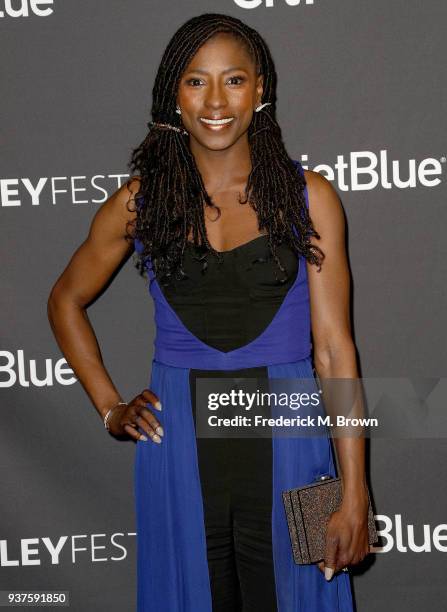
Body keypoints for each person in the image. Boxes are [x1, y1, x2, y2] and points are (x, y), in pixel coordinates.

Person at [47, 12, 371, 612]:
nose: (216, 100)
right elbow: (65, 300)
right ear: (174, 93)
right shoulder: (141, 203)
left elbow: (334, 352)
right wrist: (111, 408)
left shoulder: (312, 197)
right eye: (196, 81)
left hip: (294, 439)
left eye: (234, 80)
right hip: (176, 451)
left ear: (261, 90)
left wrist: (355, 491)